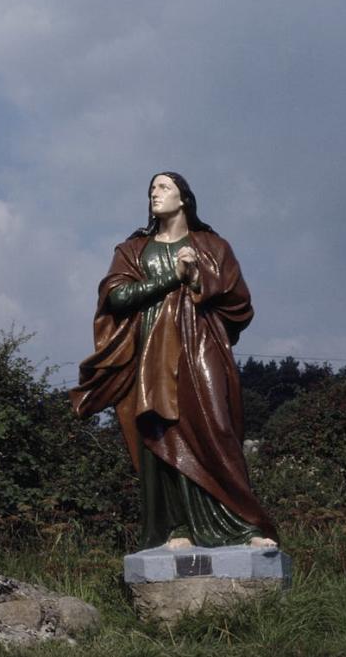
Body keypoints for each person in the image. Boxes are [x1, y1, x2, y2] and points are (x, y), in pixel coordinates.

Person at [72, 172, 277, 549]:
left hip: (202, 344)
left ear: (184, 198)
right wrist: (173, 277)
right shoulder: (133, 250)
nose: (155, 193)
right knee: (160, 431)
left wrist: (198, 278)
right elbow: (114, 298)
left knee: (217, 426)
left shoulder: (213, 246)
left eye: (163, 187)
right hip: (151, 350)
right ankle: (175, 527)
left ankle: (242, 525)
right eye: (151, 189)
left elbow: (240, 304)